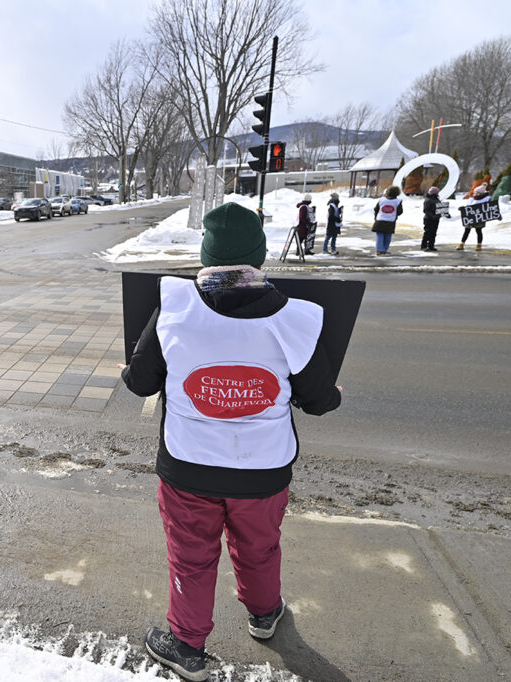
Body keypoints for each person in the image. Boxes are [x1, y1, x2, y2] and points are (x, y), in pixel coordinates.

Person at [120, 202, 342, 682]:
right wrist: (330, 392)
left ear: (207, 255)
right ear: (259, 256)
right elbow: (320, 401)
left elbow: (140, 383)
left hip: (189, 467)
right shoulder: (294, 320)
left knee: (191, 556)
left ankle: (186, 647)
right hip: (262, 471)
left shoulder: (174, 308)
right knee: (259, 547)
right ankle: (264, 614)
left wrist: (132, 366)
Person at [372, 186, 403, 255]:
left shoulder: (382, 200)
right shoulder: (398, 201)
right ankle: (384, 249)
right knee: (388, 236)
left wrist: (376, 217)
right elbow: (400, 212)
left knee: (380, 235)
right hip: (390, 221)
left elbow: (376, 209)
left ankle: (379, 250)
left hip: (380, 220)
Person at [457, 185, 489, 252]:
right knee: (466, 231)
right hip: (470, 218)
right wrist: (463, 208)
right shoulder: (471, 200)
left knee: (478, 231)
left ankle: (479, 245)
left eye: (476, 192)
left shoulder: (485, 200)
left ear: (480, 193)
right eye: (474, 192)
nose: (475, 194)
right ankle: (462, 244)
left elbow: (487, 208)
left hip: (479, 218)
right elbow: (468, 207)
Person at [421, 186, 441, 252]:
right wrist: (432, 216)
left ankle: (431, 246)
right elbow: (426, 210)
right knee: (427, 233)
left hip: (436, 219)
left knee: (433, 233)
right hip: (429, 219)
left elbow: (440, 208)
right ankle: (424, 246)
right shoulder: (428, 200)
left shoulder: (436, 199)